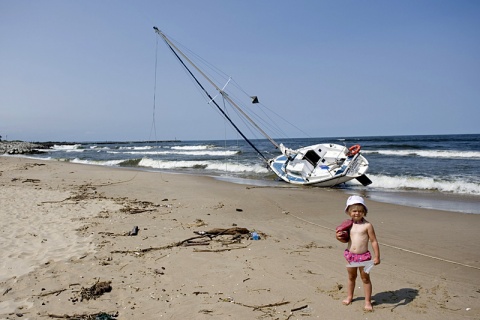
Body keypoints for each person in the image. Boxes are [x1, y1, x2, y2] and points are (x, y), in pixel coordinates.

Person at [336, 195, 380, 311]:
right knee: (351, 277)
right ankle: (349, 296)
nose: (357, 213)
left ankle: (367, 301)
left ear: (364, 212)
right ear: (349, 211)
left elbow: (374, 241)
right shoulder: (347, 225)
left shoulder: (367, 225)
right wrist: (338, 236)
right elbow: (343, 239)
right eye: (354, 211)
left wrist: (377, 256)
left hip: (364, 257)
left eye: (360, 211)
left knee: (365, 279)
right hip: (351, 256)